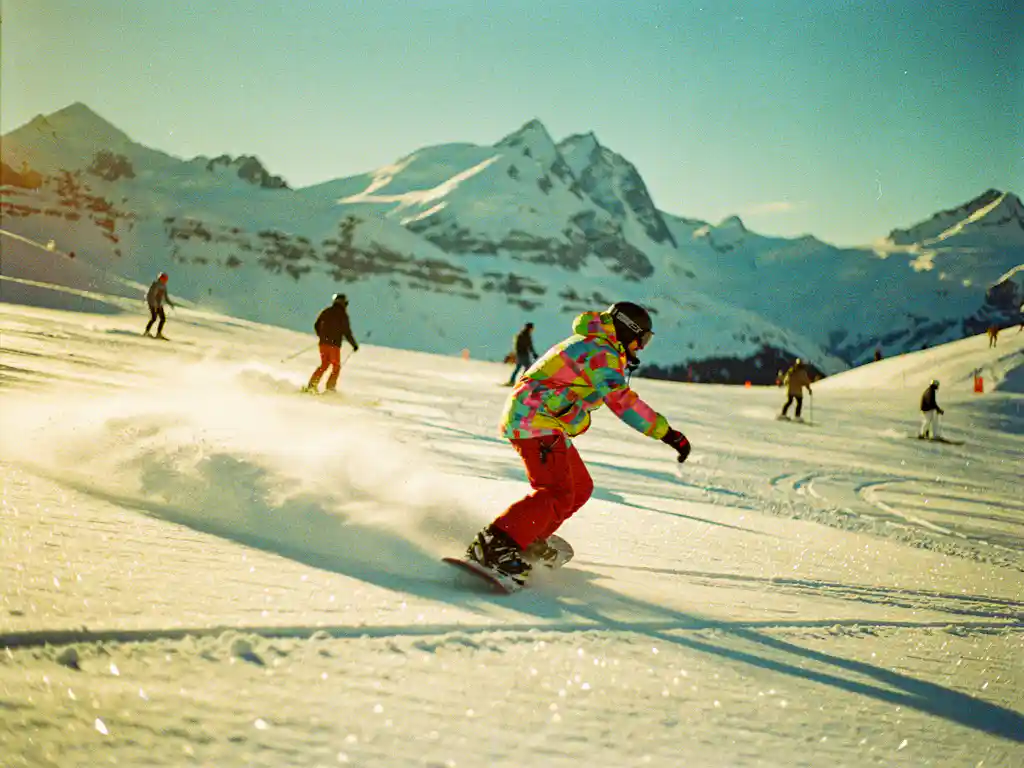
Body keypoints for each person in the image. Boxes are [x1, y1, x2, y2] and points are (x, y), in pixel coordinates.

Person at [464, 302, 692, 586]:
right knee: (557, 490)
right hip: (534, 419)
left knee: (580, 487)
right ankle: (494, 546)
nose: (642, 347)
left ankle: (527, 539)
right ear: (626, 331)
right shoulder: (601, 353)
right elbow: (621, 401)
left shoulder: (599, 346)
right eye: (641, 338)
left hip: (544, 420)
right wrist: (668, 434)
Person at [304, 293, 358, 393]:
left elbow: (316, 325)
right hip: (334, 346)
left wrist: (321, 336)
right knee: (336, 367)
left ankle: (312, 385)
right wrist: (354, 345)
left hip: (323, 344)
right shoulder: (343, 315)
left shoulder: (327, 311)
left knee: (324, 364)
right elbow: (347, 332)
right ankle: (330, 388)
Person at [143, 272, 175, 339]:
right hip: (153, 304)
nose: (165, 281)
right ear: (160, 278)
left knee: (162, 319)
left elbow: (165, 297)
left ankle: (158, 334)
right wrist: (154, 305)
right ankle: (146, 332)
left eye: (166, 280)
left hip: (159, 305)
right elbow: (151, 296)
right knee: (154, 318)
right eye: (164, 279)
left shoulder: (163, 286)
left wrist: (170, 303)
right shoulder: (156, 285)